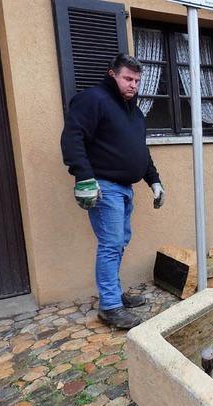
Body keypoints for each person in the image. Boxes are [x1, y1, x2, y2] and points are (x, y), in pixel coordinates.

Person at [61, 53, 165, 329]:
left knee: (118, 243)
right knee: (110, 245)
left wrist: (153, 180)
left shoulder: (134, 111)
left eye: (137, 80)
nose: (133, 85)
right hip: (103, 187)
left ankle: (114, 295)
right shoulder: (92, 100)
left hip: (125, 189)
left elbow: (140, 151)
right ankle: (110, 307)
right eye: (128, 78)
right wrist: (83, 178)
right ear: (112, 75)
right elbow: (72, 138)